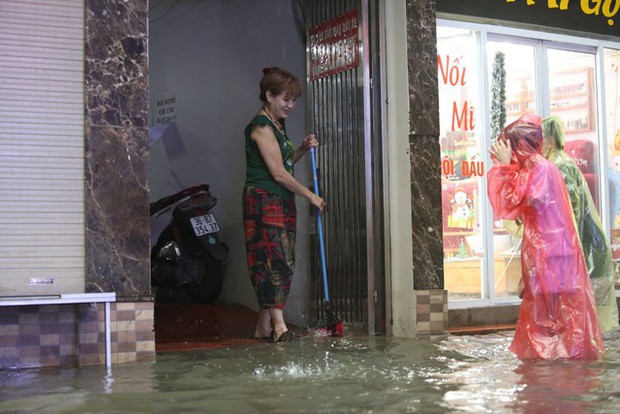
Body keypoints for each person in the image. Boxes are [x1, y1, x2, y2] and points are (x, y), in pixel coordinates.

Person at [487, 114, 604, 359]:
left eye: (511, 148)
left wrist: (506, 166)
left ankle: (564, 369)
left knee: (558, 318)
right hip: (552, 256)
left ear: (520, 147)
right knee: (551, 318)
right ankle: (558, 366)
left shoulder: (540, 170)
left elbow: (509, 201)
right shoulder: (538, 168)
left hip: (554, 257)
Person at [243, 67, 326, 343]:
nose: (290, 106)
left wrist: (301, 147)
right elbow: (278, 173)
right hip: (263, 201)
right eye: (285, 99)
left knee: (284, 260)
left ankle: (262, 327)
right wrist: (310, 195)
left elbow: (285, 164)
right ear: (269, 95)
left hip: (280, 200)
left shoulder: (277, 124)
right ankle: (279, 328)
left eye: (293, 100)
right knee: (272, 260)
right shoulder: (261, 126)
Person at [542, 115, 619, 333]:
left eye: (538, 139)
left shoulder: (561, 166)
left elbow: (569, 212)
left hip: (588, 252)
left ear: (549, 139)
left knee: (586, 326)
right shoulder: (558, 163)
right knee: (584, 325)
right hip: (587, 250)